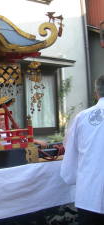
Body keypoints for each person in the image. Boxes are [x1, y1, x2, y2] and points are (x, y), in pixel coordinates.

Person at [61, 75, 104, 225]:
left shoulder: (82, 117)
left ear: (96, 93)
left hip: (89, 193)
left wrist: (70, 176)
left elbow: (70, 151)